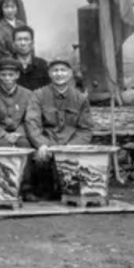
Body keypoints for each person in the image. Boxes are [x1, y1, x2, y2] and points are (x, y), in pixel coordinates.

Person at [25, 59, 94, 199]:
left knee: (79, 166)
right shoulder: (38, 95)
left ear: (70, 74)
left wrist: (72, 146)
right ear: (49, 74)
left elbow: (85, 128)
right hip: (48, 142)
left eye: (63, 70)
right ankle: (46, 193)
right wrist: (42, 144)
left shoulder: (80, 98)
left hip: (70, 144)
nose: (59, 74)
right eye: (55, 70)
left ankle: (69, 192)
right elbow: (32, 123)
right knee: (40, 158)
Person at [0, 59, 36, 201]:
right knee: (3, 147)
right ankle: (5, 187)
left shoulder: (28, 94)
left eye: (11, 75)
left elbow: (30, 118)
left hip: (20, 133)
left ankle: (26, 187)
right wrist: (3, 134)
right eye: (3, 75)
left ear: (17, 75)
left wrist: (19, 133)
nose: (7, 78)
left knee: (24, 146)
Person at [10, 25, 52, 90]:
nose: (23, 43)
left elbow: (49, 90)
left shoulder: (43, 65)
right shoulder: (7, 65)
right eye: (19, 39)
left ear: (32, 43)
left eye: (26, 39)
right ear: (13, 44)